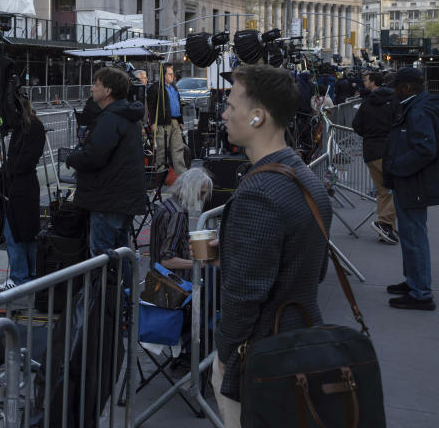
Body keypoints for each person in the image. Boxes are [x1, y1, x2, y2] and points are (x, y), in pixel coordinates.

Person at [211, 64, 333, 427]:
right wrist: (236, 250)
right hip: (302, 337)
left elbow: (244, 296)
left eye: (232, 105)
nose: (224, 113)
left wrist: (224, 355)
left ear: (258, 117)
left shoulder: (259, 192)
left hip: (264, 355)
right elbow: (315, 266)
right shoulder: (305, 175)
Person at [66, 67, 145, 283]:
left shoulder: (111, 119)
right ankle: (127, 305)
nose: (92, 88)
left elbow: (95, 157)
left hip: (108, 201)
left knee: (101, 259)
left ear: (108, 90)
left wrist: (73, 158)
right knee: (121, 255)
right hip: (122, 199)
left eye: (96, 84)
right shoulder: (125, 117)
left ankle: (102, 308)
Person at [382, 66, 439, 311]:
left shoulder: (419, 110)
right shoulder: (416, 107)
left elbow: (425, 149)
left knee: (414, 237)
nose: (395, 92)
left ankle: (421, 292)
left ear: (408, 88)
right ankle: (413, 282)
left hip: (413, 182)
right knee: (411, 236)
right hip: (411, 181)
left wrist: (396, 166)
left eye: (397, 88)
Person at [0, 96, 46, 291]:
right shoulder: (26, 127)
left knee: (16, 233)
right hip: (20, 185)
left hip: (22, 186)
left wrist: (9, 162)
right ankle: (30, 274)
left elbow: (26, 160)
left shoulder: (32, 128)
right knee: (25, 233)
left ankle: (19, 276)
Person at [351, 70, 398, 244]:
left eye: (366, 79)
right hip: (388, 149)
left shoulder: (367, 102)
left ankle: (387, 231)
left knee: (383, 192)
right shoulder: (395, 101)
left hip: (370, 150)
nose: (363, 82)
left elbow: (356, 125)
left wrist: (369, 134)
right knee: (399, 188)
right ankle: (385, 223)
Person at [151, 167, 213, 275]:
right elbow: (167, 260)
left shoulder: (169, 205)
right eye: (202, 193)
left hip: (161, 275)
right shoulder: (177, 214)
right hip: (173, 281)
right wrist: (200, 264)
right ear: (191, 189)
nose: (202, 198)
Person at [146, 63, 187, 176]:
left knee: (178, 148)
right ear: (163, 75)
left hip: (174, 121)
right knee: (162, 150)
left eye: (172, 74)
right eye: (169, 74)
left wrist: (181, 121)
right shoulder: (155, 88)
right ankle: (160, 173)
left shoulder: (173, 87)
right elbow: (151, 107)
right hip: (162, 122)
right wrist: (153, 122)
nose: (172, 76)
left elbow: (178, 104)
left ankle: (181, 174)